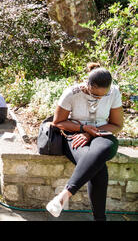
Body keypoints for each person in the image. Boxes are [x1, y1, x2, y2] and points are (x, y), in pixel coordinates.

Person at [46, 63, 122, 221]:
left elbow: (117, 124)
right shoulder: (72, 93)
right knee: (98, 167)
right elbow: (58, 122)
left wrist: (90, 133)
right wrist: (83, 128)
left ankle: (64, 195)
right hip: (74, 135)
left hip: (102, 135)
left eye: (103, 95)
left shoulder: (114, 92)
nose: (99, 98)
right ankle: (100, 219)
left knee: (100, 152)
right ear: (88, 85)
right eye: (95, 95)